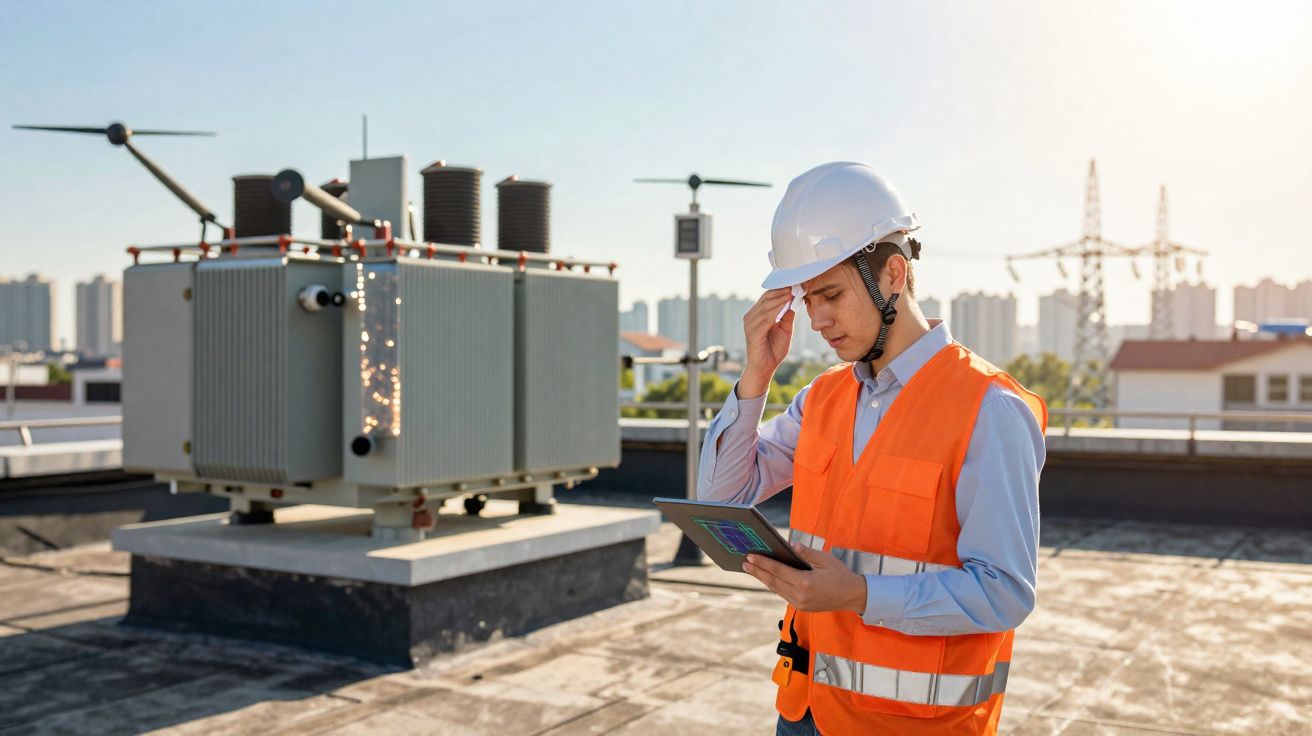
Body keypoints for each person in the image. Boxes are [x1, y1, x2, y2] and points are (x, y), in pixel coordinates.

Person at [696, 162, 1047, 736]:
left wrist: (859, 594)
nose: (817, 320)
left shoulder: (989, 409)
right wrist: (755, 377)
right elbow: (724, 494)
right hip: (806, 711)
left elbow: (1004, 593)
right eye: (807, 300)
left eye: (830, 294)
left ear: (891, 274)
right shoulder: (824, 397)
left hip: (915, 726)